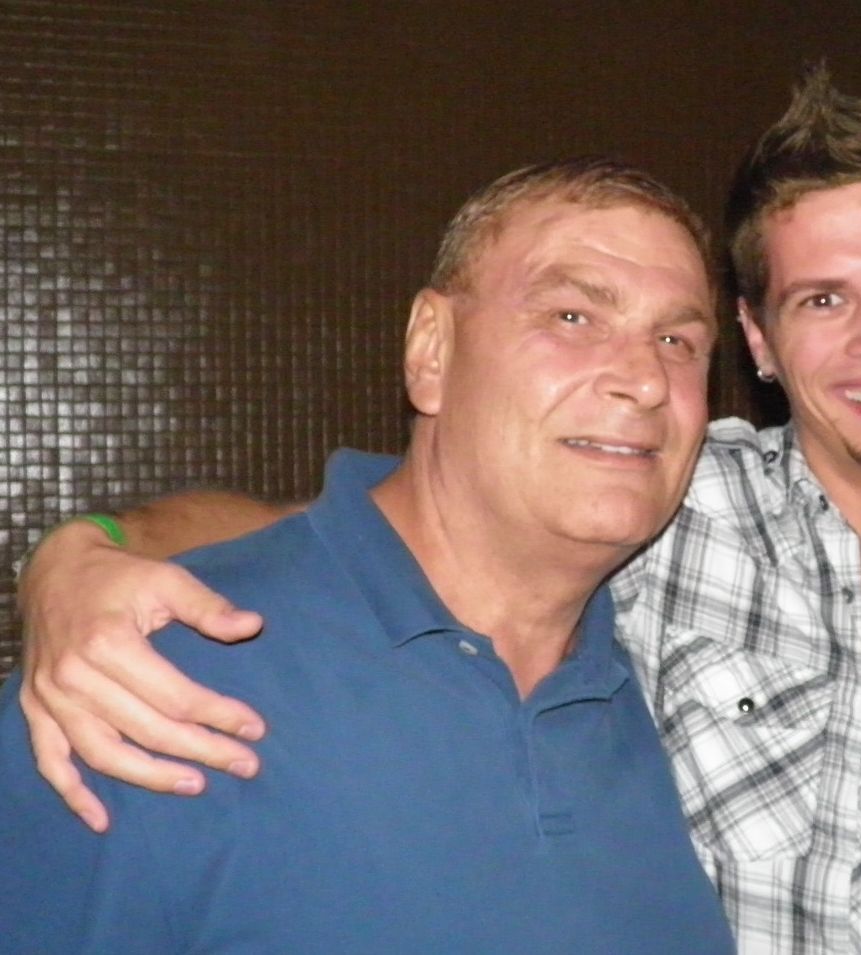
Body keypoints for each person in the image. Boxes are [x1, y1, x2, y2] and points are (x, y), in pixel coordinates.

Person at [16, 69, 861, 953]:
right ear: (761, 342)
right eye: (822, 299)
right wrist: (83, 555)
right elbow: (334, 530)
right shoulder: (669, 508)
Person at [0, 157, 736, 953]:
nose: (645, 380)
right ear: (431, 350)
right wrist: (77, 550)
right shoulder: (138, 685)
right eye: (572, 316)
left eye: (678, 339)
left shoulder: (695, 667)